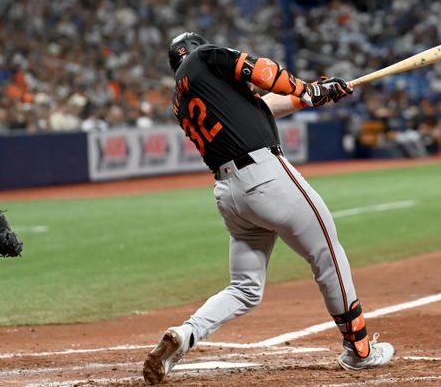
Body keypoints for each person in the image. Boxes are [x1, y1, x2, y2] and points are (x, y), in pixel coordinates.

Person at [143, 32, 394, 384]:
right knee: (327, 253)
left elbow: (263, 105)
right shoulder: (206, 57)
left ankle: (185, 334)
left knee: (244, 287)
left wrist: (314, 94)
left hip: (229, 193)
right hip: (265, 175)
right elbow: (261, 70)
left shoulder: (182, 98)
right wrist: (305, 89)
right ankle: (360, 351)